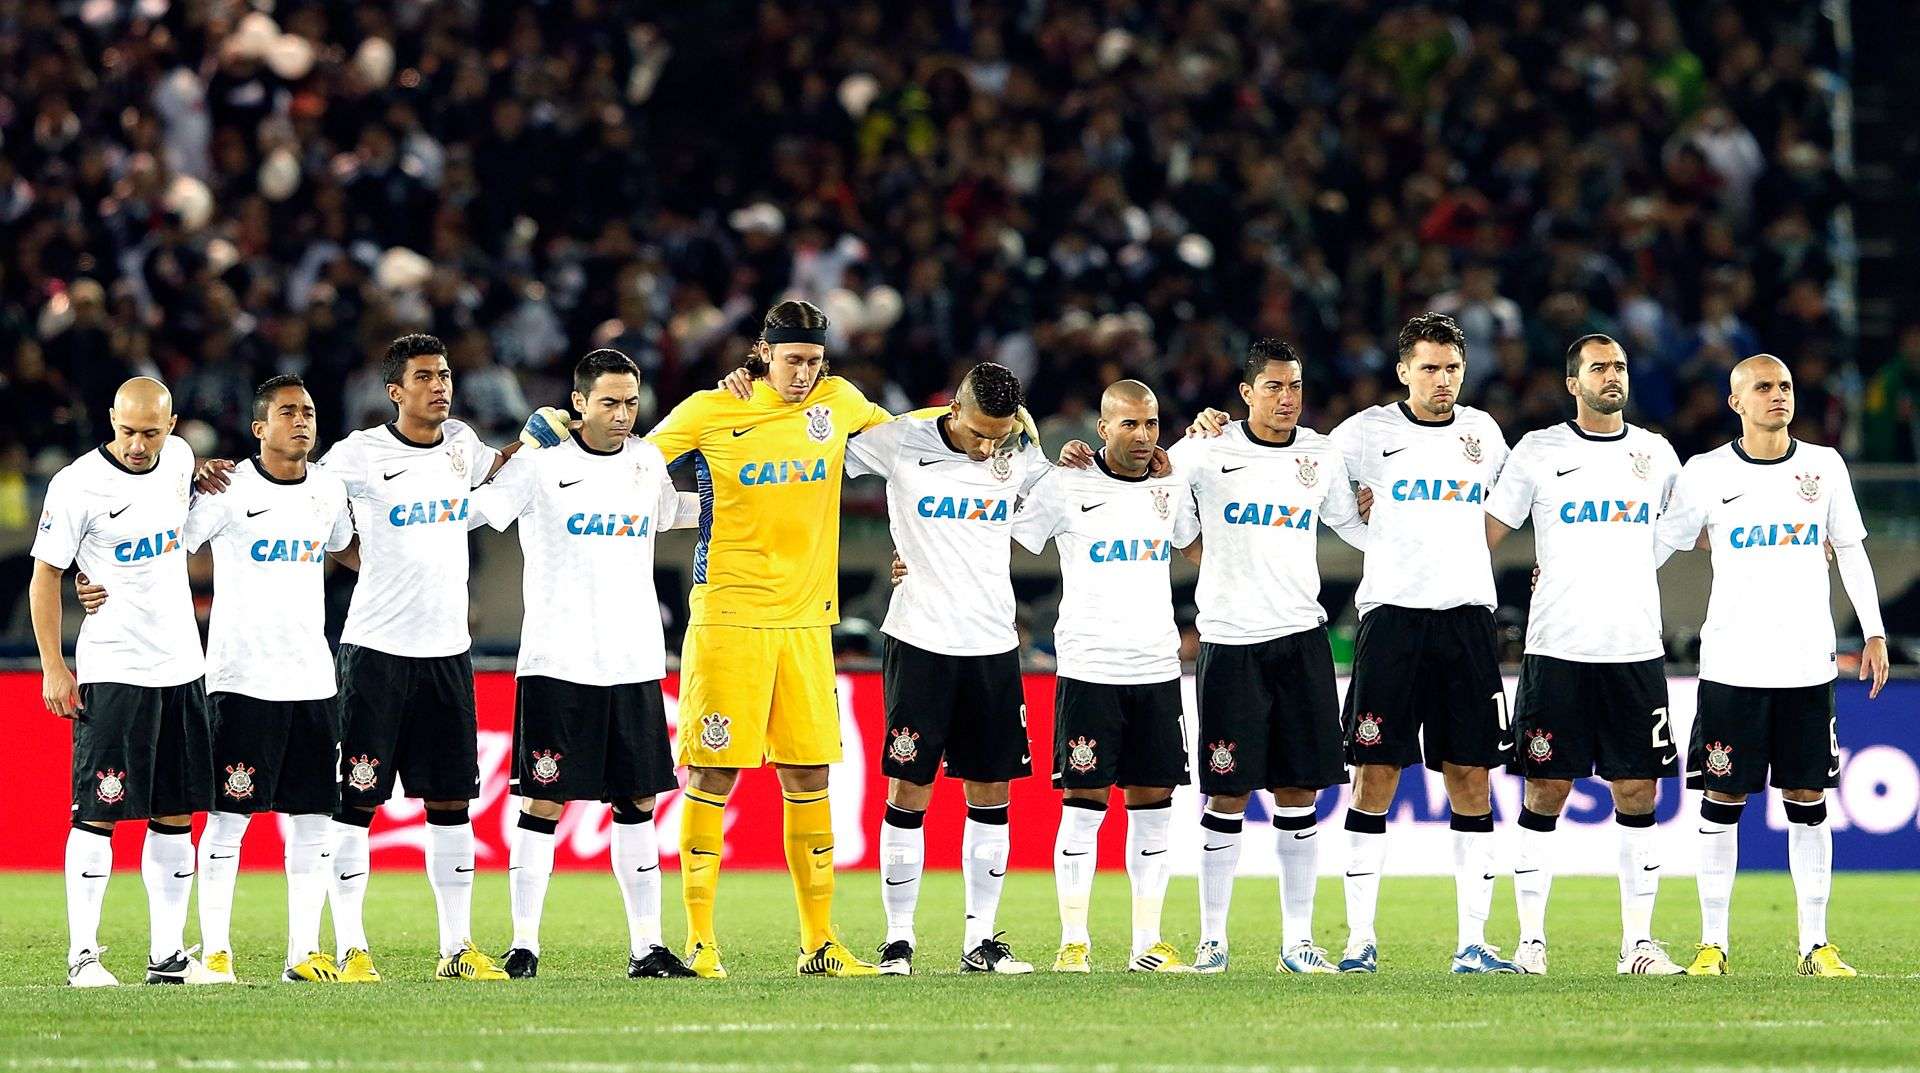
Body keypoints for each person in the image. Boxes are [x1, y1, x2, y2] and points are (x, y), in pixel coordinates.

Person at [197, 333, 535, 982]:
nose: (440, 385)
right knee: (353, 802)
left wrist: (549, 438)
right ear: (394, 392)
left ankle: (457, 947)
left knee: (450, 804)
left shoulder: (463, 445)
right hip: (374, 651)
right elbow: (305, 501)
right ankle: (351, 946)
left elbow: (503, 468)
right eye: (425, 377)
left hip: (446, 654)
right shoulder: (357, 455)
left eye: (444, 375)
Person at [644, 300, 892, 977]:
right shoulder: (709, 408)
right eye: (792, 360)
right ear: (763, 353)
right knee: (714, 770)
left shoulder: (839, 401)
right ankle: (699, 940)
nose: (804, 374)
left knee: (809, 772)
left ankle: (819, 942)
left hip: (808, 622)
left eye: (814, 361)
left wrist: (984, 425)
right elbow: (633, 467)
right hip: (728, 616)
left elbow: (911, 445)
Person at [1656, 353, 1890, 978]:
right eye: (1763, 387)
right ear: (1736, 401)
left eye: (1785, 385)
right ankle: (1712, 945)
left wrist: (1873, 630)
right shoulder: (1706, 474)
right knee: (1722, 798)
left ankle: (1816, 945)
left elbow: (1852, 550)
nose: (1778, 395)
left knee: (1808, 798)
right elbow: (1658, 543)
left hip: (1807, 666)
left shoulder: (1824, 465)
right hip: (1732, 664)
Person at [475, 349, 699, 979]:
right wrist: (511, 452)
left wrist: (723, 500)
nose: (623, 415)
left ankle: (648, 947)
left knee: (636, 802)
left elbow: (666, 514)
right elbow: (479, 509)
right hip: (558, 659)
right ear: (577, 403)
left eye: (631, 403)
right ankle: (523, 945)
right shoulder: (542, 467)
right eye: (609, 402)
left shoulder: (646, 461)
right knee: (543, 804)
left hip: (631, 661)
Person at [1482, 335, 1687, 975]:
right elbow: (1486, 532)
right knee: (1546, 789)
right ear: (1574, 382)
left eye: (1620, 366)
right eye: (1599, 368)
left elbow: (1685, 531)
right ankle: (1531, 943)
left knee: (1637, 789)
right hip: (1558, 648)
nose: (1612, 376)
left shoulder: (1655, 454)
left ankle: (1638, 946)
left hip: (1633, 648)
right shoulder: (1539, 451)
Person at [1167, 339, 1368, 975]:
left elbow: (1350, 526)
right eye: (1274, 387)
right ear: (1247, 393)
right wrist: (1210, 557)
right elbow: (1161, 507)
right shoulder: (1205, 450)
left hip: (1301, 638)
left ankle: (1298, 941)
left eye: (1295, 387)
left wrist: (1384, 514)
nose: (1287, 399)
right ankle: (1212, 939)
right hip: (1229, 640)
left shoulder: (1321, 453)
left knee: (1298, 790)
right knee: (1226, 796)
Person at [842, 362, 1048, 976]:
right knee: (909, 789)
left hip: (991, 646)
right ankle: (898, 940)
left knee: (991, 792)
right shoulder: (899, 441)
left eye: (1000, 435)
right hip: (919, 640)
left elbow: (1078, 483)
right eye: (979, 432)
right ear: (950, 411)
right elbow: (816, 461)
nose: (989, 446)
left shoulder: (1021, 454)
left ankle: (981, 942)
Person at [1328, 312, 1517, 974]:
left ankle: (1472, 941)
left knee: (1471, 775)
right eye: (1430, 368)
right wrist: (1367, 532)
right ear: (1404, 370)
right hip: (1392, 620)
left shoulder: (1483, 433)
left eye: (1453, 368)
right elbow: (1314, 482)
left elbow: (1510, 505)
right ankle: (1359, 939)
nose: (1442, 380)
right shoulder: (1364, 434)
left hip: (1466, 619)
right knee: (1374, 774)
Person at [1011, 380, 1199, 974]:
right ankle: (1074, 940)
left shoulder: (1170, 485)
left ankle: (1147, 942)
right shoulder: (1066, 484)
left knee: (1154, 805)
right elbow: (1001, 534)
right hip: (1090, 668)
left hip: (1156, 668)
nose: (1143, 437)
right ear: (1101, 428)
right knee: (1083, 805)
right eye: (1129, 425)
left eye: (1151, 424)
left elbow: (1197, 550)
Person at [30, 377, 213, 986]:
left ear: (172, 425)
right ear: (111, 419)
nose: (138, 445)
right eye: (127, 431)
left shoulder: (181, 459)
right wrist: (56, 665)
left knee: (174, 815)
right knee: (98, 815)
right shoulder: (77, 484)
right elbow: (45, 578)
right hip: (113, 669)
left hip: (182, 667)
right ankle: (84, 955)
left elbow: (183, 506)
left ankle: (167, 955)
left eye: (151, 432)